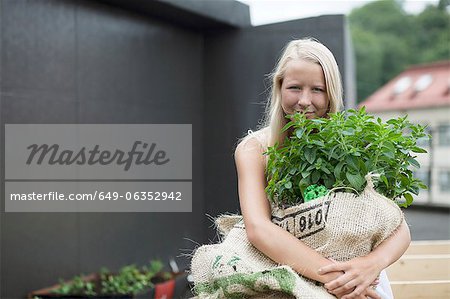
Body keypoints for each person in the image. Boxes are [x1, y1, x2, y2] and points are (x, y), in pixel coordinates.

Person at [234, 38, 411, 299]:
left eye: (317, 89)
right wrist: (339, 281)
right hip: (293, 281)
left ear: (331, 93)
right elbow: (259, 229)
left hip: (361, 281)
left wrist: (371, 264)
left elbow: (398, 228)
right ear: (279, 87)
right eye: (295, 87)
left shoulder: (352, 146)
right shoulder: (254, 149)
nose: (305, 100)